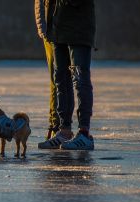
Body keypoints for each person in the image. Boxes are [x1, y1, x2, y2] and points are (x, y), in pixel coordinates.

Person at [45, 0, 96, 150]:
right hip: (57, 32)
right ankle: (64, 130)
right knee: (61, 80)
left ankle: (84, 133)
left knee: (80, 81)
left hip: (78, 32)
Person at [35, 0, 73, 149]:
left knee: (65, 79)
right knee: (57, 80)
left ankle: (62, 126)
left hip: (66, 30)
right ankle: (56, 125)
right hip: (52, 32)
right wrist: (44, 29)